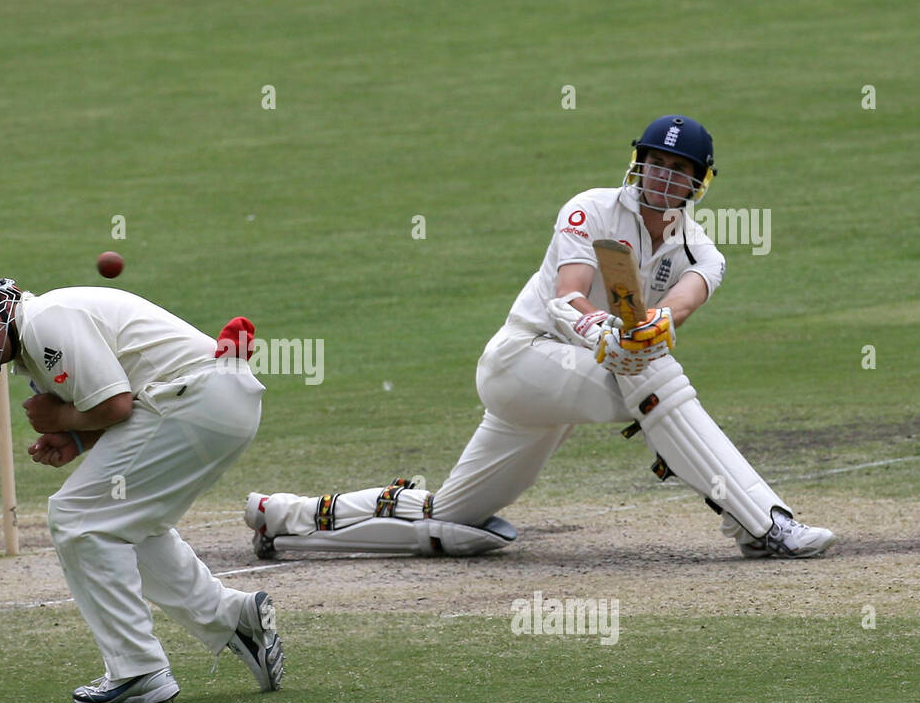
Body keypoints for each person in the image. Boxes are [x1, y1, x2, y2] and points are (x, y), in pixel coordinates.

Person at [245, 115, 836, 560]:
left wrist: (659, 322)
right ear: (638, 163)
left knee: (454, 525)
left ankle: (282, 518)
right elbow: (566, 293)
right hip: (521, 363)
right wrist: (598, 327)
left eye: (679, 170)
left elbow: (693, 291)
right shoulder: (590, 210)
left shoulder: (696, 245)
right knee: (647, 370)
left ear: (697, 183)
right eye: (656, 161)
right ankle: (762, 524)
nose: (664, 175)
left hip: (562, 393)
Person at [0, 275, 284, 703]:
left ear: (4, 299)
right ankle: (233, 618)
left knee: (77, 518)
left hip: (196, 397)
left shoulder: (44, 319)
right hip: (212, 401)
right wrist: (77, 439)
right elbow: (125, 402)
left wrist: (62, 416)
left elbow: (116, 405)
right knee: (128, 524)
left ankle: (137, 670)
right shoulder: (35, 345)